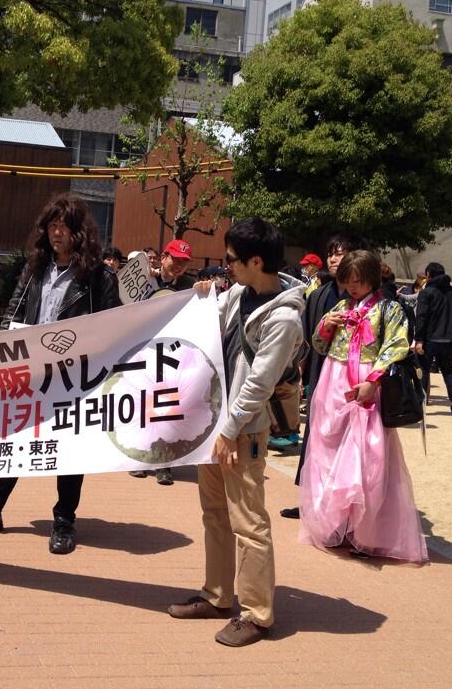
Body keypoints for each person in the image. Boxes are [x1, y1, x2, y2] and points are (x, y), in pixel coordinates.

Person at [0, 194, 121, 554]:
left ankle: (64, 521)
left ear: (79, 231)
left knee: (70, 449)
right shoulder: (34, 269)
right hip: (29, 374)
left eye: (64, 226)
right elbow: (13, 312)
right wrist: (2, 352)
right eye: (52, 226)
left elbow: (116, 325)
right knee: (14, 441)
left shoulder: (98, 276)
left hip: (74, 377)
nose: (56, 233)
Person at [168, 218, 304, 647]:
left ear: (256, 261)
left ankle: (258, 615)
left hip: (242, 432)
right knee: (215, 515)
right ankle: (217, 595)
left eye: (231, 260)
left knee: (249, 522)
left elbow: (259, 383)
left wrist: (229, 431)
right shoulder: (239, 295)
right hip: (215, 426)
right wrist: (203, 295)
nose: (226, 266)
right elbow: (206, 322)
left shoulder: (284, 317)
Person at [298, 250, 428, 563]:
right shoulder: (342, 306)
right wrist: (325, 325)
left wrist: (374, 380)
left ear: (372, 278)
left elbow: (396, 346)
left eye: (358, 281)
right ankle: (334, 523)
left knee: (367, 455)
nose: (352, 287)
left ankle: (366, 531)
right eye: (348, 281)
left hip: (366, 382)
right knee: (328, 450)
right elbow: (318, 345)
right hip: (333, 380)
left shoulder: (389, 308)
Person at [280, 234, 368, 516]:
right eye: (331, 253)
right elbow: (306, 339)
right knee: (315, 437)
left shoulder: (366, 297)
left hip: (351, 380)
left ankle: (342, 509)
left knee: (346, 443)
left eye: (341, 253)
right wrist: (299, 370)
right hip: (320, 376)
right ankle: (310, 501)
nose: (333, 259)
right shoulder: (319, 294)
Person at [131, 238, 195, 485]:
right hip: (142, 352)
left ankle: (164, 464)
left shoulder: (191, 286)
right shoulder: (143, 280)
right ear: (164, 257)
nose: (178, 265)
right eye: (174, 259)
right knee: (142, 405)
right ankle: (140, 458)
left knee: (169, 407)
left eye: (183, 262)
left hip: (173, 354)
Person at [414, 262, 452, 418]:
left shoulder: (427, 292)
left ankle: (420, 407)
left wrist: (419, 339)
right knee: (448, 372)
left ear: (429, 274)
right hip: (448, 339)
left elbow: (421, 317)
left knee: (423, 371)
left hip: (430, 339)